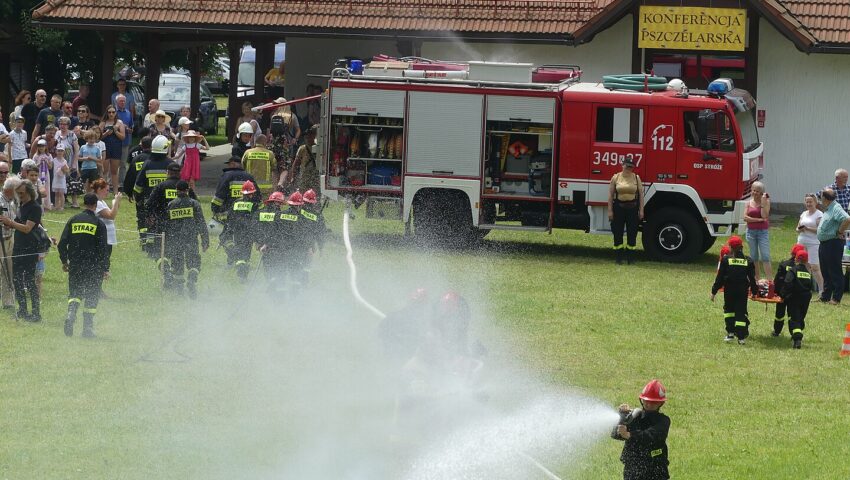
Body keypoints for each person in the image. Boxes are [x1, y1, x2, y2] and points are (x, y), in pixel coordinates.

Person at [58, 193, 109, 338]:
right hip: (94, 266)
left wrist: (64, 261)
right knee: (92, 295)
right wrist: (105, 268)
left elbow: (62, 244)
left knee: (75, 293)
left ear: (84, 203)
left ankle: (71, 313)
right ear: (96, 204)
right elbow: (103, 249)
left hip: (75, 264)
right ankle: (87, 329)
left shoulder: (73, 220)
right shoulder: (99, 223)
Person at [0, 179, 42, 321]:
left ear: (30, 192)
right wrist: (9, 225)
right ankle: (23, 310)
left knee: (30, 281)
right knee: (17, 280)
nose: (19, 195)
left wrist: (10, 222)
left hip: (30, 248)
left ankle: (36, 313)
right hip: (18, 247)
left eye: (22, 193)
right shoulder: (21, 205)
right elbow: (19, 224)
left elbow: (27, 228)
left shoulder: (35, 207)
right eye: (18, 193)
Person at [612, 379, 671, 480]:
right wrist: (622, 418)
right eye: (646, 401)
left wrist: (630, 435)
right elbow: (615, 434)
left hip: (656, 470)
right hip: (633, 469)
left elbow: (651, 436)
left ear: (660, 404)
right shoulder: (634, 417)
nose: (648, 404)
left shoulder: (663, 421)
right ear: (642, 400)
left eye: (653, 402)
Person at [163, 181, 209, 298]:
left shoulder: (171, 205)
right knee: (194, 263)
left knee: (177, 264)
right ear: (188, 190)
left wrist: (166, 242)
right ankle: (192, 281)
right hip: (191, 239)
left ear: (176, 190)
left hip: (175, 240)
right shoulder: (194, 204)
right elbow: (201, 223)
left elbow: (166, 225)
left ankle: (179, 290)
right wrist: (205, 241)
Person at [134, 135, 176, 257]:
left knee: (151, 225)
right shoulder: (171, 164)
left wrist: (139, 201)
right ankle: (169, 247)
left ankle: (151, 250)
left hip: (150, 202)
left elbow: (138, 186)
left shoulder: (147, 164)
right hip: (169, 202)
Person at [711, 235, 757, 344]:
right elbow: (752, 279)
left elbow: (720, 278)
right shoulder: (748, 260)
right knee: (740, 312)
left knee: (729, 312)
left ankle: (730, 333)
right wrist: (755, 292)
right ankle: (741, 338)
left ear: (731, 247)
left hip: (729, 291)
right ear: (742, 247)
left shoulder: (726, 259)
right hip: (742, 291)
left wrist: (714, 291)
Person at [816, 188, 850, 304]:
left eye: (821, 197)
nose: (820, 199)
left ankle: (836, 298)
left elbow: (846, 219)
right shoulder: (828, 208)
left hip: (833, 243)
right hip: (825, 244)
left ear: (825, 198)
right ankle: (825, 296)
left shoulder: (836, 207)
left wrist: (840, 232)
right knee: (825, 270)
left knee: (834, 271)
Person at [607, 158, 644, 264]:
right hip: (618, 208)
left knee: (632, 234)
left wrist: (641, 210)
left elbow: (641, 195)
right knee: (617, 233)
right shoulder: (616, 177)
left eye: (631, 166)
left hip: (633, 209)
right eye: (627, 166)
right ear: (622, 165)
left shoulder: (636, 178)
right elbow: (610, 195)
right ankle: (618, 258)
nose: (629, 168)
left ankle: (630, 258)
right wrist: (610, 211)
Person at [224, 180, 261, 281]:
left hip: (237, 231)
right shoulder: (254, 204)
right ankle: (242, 275)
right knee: (246, 253)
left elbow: (230, 217)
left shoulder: (236, 202)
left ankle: (238, 264)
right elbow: (256, 219)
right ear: (252, 193)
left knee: (239, 248)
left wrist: (229, 230)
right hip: (248, 232)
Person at [781, 249, 814, 349]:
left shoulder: (793, 270)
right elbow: (810, 286)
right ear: (806, 260)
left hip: (794, 298)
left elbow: (788, 283)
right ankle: (798, 330)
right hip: (806, 298)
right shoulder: (808, 273)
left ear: (796, 259)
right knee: (800, 317)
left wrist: (783, 295)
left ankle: (797, 339)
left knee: (794, 319)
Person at [92, 179, 121, 284]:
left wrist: (116, 202)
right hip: (103, 238)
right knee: (101, 264)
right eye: (106, 190)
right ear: (99, 189)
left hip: (108, 238)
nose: (107, 192)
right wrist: (116, 201)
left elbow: (113, 212)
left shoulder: (102, 201)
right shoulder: (97, 203)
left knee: (104, 264)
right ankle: (96, 290)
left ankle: (98, 290)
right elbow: (111, 216)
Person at [772, 244, 805, 337]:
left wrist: (777, 293)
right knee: (793, 315)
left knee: (779, 314)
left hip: (782, 294)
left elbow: (777, 280)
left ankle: (777, 331)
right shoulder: (801, 268)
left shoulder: (784, 264)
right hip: (794, 296)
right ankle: (793, 333)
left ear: (792, 253)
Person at [743, 181, 772, 279]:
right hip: (750, 232)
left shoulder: (766, 202)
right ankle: (757, 279)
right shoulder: (748, 203)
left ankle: (769, 280)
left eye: (757, 191)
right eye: (753, 190)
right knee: (754, 256)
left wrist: (763, 204)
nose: (755, 193)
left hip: (762, 232)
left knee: (765, 256)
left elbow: (765, 215)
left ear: (761, 193)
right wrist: (758, 220)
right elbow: (745, 218)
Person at [796, 193, 824, 291]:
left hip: (813, 243)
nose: (808, 204)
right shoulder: (803, 214)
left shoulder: (819, 214)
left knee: (815, 267)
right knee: (804, 265)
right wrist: (799, 229)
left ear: (815, 202)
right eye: (807, 202)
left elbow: (820, 230)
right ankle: (807, 287)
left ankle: (822, 290)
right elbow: (797, 227)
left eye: (810, 202)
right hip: (802, 242)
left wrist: (807, 228)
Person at [0, 172, 18, 309]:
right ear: (9, 190)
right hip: (1, 239)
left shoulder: (14, 201)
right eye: (17, 190)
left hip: (11, 237)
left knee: (9, 270)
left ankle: (8, 302)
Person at [293, 125, 320, 195]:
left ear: (314, 136)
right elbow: (296, 162)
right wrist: (293, 175)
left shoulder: (318, 148)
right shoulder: (302, 148)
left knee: (314, 193)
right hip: (304, 175)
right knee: (303, 192)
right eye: (306, 136)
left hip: (315, 175)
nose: (307, 138)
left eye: (310, 136)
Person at [52, 144, 70, 211]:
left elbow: (67, 170)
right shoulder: (54, 160)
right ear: (56, 151)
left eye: (61, 151)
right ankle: (56, 206)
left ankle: (62, 206)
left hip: (62, 179)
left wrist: (63, 169)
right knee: (56, 193)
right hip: (56, 178)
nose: (60, 152)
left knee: (61, 193)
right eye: (58, 151)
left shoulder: (64, 161)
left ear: (64, 152)